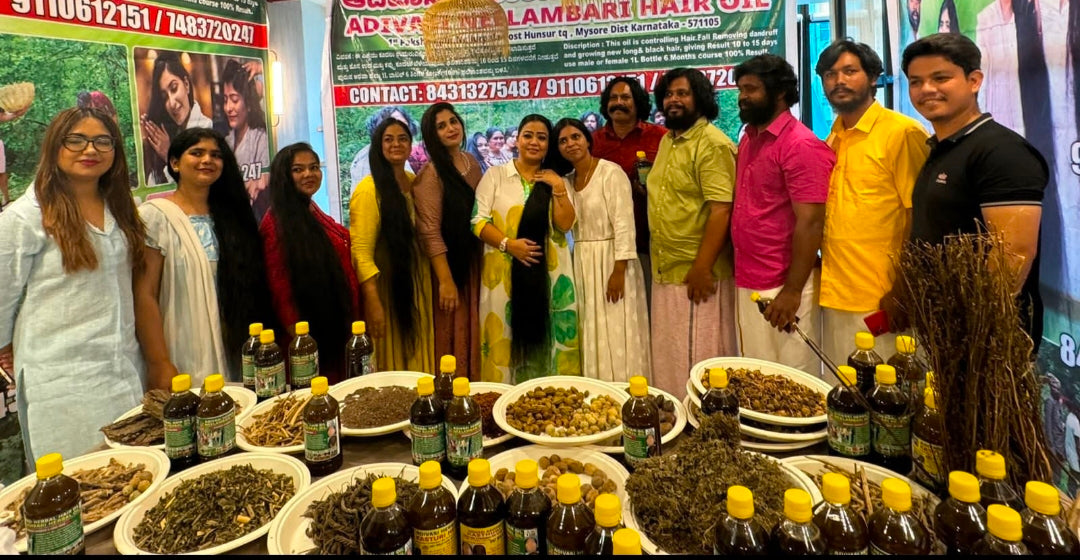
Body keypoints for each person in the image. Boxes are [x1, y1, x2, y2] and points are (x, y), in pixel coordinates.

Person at [0, 107, 146, 464]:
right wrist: (7, 347)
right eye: (76, 140)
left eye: (102, 141)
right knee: (78, 488)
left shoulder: (120, 207)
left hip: (124, 369)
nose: (90, 150)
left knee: (133, 476)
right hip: (63, 384)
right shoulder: (25, 217)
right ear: (55, 146)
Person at [895, 33, 1047, 348]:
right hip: (943, 330)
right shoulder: (941, 147)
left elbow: (1014, 251)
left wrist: (974, 331)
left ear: (974, 80)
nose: (926, 90)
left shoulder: (1000, 151)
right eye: (916, 81)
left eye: (940, 78)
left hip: (985, 341)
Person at [815, 40, 930, 370]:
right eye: (830, 74)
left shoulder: (902, 132)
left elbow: (918, 217)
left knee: (892, 401)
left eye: (850, 71)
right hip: (837, 294)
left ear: (874, 78)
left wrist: (903, 289)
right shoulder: (833, 137)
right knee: (847, 397)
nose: (839, 81)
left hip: (884, 299)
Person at [134, 128, 275, 388]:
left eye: (215, 155)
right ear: (175, 163)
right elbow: (145, 295)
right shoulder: (156, 216)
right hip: (183, 345)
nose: (207, 160)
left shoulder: (232, 218)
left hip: (233, 342)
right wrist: (159, 362)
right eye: (196, 153)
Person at [731, 55, 835, 376]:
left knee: (792, 380)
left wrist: (791, 291)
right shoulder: (749, 137)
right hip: (749, 278)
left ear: (779, 93)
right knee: (757, 378)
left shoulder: (800, 144)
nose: (742, 96)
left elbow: (811, 222)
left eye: (751, 89)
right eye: (740, 89)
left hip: (785, 286)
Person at [647, 68, 738, 397]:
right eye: (669, 94)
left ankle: (706, 435)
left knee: (699, 361)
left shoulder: (711, 143)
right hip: (667, 269)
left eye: (683, 93)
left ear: (700, 98)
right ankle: (677, 430)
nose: (674, 100)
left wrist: (702, 267)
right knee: (670, 360)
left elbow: (721, 209)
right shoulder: (668, 141)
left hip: (697, 275)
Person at [471, 114, 580, 383]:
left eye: (541, 137)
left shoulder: (556, 180)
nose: (534, 142)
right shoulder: (495, 177)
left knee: (552, 340)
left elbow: (566, 225)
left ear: (548, 144)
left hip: (551, 276)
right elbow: (477, 221)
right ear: (516, 140)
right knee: (504, 340)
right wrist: (509, 245)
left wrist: (557, 188)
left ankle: (554, 405)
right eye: (528, 135)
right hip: (504, 279)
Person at [555, 118, 650, 382]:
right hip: (583, 262)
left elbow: (624, 222)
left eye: (575, 137)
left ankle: (628, 392)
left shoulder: (611, 172)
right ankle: (598, 392)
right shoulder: (566, 181)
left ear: (587, 139)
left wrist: (619, 270)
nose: (570, 144)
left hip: (613, 260)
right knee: (592, 329)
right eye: (563, 141)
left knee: (618, 327)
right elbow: (566, 223)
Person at [260, 143, 360, 383]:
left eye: (314, 167)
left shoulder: (309, 208)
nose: (309, 174)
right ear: (284, 176)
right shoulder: (276, 223)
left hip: (332, 324)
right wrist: (301, 342)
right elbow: (280, 291)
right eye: (298, 169)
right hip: (308, 338)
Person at [350, 118, 435, 373]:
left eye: (402, 138)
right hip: (388, 291)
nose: (396, 144)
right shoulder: (369, 189)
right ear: (378, 146)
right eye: (388, 139)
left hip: (419, 285)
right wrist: (373, 302)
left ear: (411, 145)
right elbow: (361, 254)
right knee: (393, 362)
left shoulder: (414, 180)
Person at [414, 102, 484, 380]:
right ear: (433, 136)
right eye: (441, 126)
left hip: (474, 262)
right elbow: (429, 232)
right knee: (453, 333)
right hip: (449, 269)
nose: (451, 128)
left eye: (453, 121)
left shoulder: (471, 161)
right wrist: (445, 281)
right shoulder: (431, 175)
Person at [591, 77, 667, 301]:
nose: (618, 103)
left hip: (651, 240)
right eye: (613, 98)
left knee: (653, 311)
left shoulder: (661, 138)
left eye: (625, 98)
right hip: (606, 245)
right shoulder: (593, 142)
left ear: (639, 103)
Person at [141, 52, 214, 185]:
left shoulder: (208, 127)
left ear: (186, 84)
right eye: (164, 97)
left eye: (174, 88)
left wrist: (169, 155)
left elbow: (199, 186)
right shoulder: (164, 136)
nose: (172, 103)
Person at [221, 59, 271, 222]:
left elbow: (263, 183)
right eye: (225, 99)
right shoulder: (226, 142)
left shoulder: (261, 139)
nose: (228, 107)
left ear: (248, 104)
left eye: (234, 100)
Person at [348, 106, 418, 196]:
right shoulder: (366, 160)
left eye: (403, 124)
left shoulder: (404, 165)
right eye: (391, 124)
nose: (398, 128)